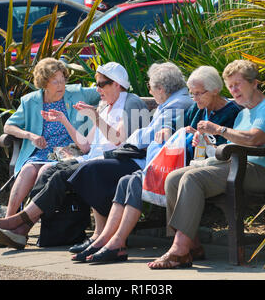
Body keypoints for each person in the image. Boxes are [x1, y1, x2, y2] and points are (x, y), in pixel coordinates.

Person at [78, 65, 241, 263]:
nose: (195, 98)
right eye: (192, 93)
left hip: (204, 167)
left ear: (215, 89)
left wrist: (207, 138)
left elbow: (228, 147)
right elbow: (177, 124)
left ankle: (117, 243)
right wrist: (167, 128)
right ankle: (105, 239)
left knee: (137, 181)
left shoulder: (231, 113)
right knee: (126, 181)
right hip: (184, 163)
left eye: (199, 94)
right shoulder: (197, 109)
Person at [0, 62, 147, 249]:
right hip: (93, 158)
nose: (97, 89)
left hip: (116, 161)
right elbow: (85, 146)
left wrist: (95, 117)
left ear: (117, 84)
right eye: (97, 84)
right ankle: (20, 230)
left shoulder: (130, 103)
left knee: (58, 174)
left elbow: (118, 140)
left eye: (101, 84)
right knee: (49, 172)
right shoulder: (105, 105)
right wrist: (64, 119)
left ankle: (16, 224)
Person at [147, 59, 265, 269]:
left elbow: (254, 139)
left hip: (261, 171)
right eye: (230, 86)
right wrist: (204, 140)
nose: (234, 90)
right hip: (237, 166)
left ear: (255, 83)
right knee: (174, 177)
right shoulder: (243, 113)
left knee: (192, 178)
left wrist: (219, 129)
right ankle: (192, 246)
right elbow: (230, 149)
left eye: (238, 84)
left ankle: (178, 250)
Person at [68, 62, 195, 262]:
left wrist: (136, 136)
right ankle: (106, 239)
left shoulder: (177, 104)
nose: (150, 90)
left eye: (151, 87)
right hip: (144, 159)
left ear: (161, 89)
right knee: (102, 174)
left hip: (152, 162)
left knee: (94, 171)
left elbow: (150, 135)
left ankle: (111, 241)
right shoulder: (169, 102)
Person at [0, 57, 100, 247]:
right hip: (40, 151)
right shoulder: (30, 101)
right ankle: (8, 225)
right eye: (55, 81)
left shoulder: (76, 93)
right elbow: (9, 126)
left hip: (67, 151)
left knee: (43, 173)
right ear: (44, 83)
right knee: (27, 171)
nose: (61, 85)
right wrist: (30, 136)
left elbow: (104, 92)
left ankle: (22, 228)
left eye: (63, 79)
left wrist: (97, 110)